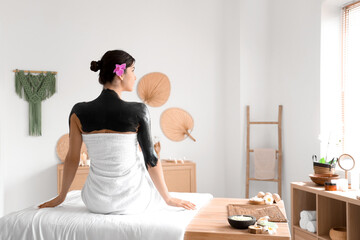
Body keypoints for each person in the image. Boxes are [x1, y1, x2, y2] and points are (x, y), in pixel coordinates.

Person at [38, 50, 196, 214]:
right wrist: (168, 199)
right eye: (133, 70)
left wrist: (61, 196)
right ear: (120, 73)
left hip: (95, 201)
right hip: (133, 200)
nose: (135, 77)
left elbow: (72, 157)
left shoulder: (78, 111)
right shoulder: (138, 110)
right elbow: (151, 158)